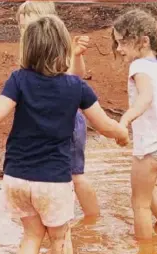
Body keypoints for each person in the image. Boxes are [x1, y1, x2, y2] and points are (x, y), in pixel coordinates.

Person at [0, 15, 129, 254]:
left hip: (16, 178)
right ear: (64, 48)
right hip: (53, 181)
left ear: (27, 49)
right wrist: (122, 135)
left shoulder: (18, 80)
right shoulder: (76, 87)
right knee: (60, 237)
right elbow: (104, 125)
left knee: (31, 236)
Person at [17, 1, 100, 217]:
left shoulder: (58, 48)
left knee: (75, 174)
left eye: (28, 26)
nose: (25, 32)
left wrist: (77, 55)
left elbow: (75, 79)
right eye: (22, 27)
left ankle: (94, 220)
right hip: (47, 123)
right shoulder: (30, 53)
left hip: (67, 123)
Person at [112, 9, 157, 240]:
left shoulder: (138, 67)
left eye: (122, 42)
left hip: (150, 148)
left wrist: (125, 118)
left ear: (143, 41)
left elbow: (145, 98)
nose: (119, 48)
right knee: (150, 190)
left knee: (139, 204)